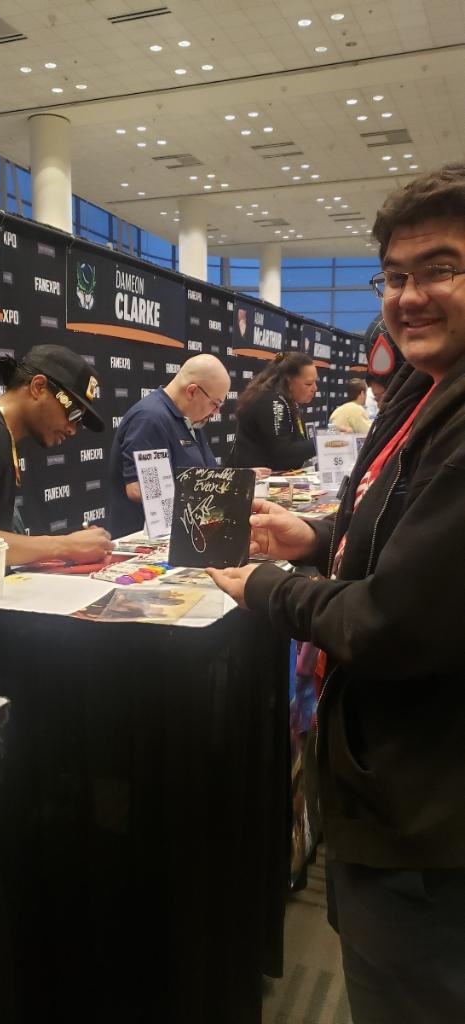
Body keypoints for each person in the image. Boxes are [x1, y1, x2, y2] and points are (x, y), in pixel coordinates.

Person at [208, 163, 465, 1023]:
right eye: (394, 277)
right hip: (399, 797)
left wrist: (272, 586)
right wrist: (319, 539)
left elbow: (394, 620)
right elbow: (408, 537)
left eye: (439, 268)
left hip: (425, 819)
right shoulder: (430, 392)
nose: (409, 296)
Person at [0, 345, 113, 566]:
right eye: (72, 413)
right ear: (38, 387)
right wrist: (64, 546)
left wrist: (69, 548)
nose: (72, 429)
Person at [108, 354, 230, 538]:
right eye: (215, 404)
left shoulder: (189, 419)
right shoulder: (149, 419)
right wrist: (196, 498)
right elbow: (138, 488)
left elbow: (205, 473)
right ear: (192, 391)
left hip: (186, 532)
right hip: (149, 540)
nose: (216, 412)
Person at [228, 352, 317, 471]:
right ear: (288, 381)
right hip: (254, 483)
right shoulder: (272, 401)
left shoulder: (280, 399)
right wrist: (323, 443)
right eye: (309, 384)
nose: (315, 388)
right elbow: (283, 453)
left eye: (315, 382)